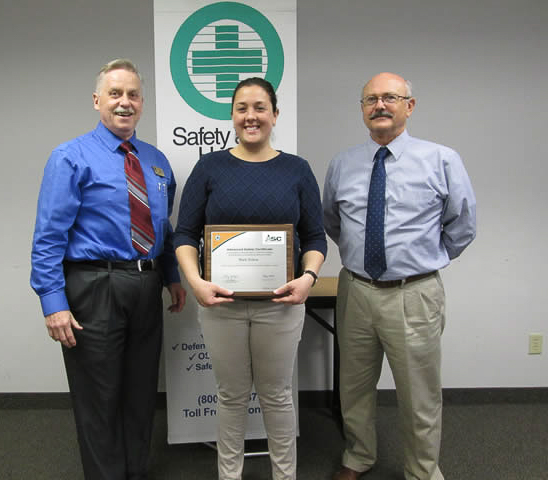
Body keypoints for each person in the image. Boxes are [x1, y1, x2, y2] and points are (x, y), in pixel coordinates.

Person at [30, 58, 186, 480]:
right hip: (93, 286)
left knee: (140, 392)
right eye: (115, 94)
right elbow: (48, 236)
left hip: (146, 284)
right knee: (98, 398)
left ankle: (134, 472)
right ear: (97, 100)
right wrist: (53, 303)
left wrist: (171, 276)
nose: (124, 102)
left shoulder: (155, 161)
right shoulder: (70, 157)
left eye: (133, 95)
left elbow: (162, 226)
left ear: (142, 103)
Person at [323, 72, 476, 480]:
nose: (380, 105)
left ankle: (422, 471)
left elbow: (462, 224)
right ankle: (359, 456)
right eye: (370, 99)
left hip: (414, 293)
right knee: (354, 387)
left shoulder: (441, 159)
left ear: (410, 106)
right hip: (356, 289)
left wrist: (423, 260)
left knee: (419, 394)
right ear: (362, 110)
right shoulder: (342, 163)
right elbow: (333, 222)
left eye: (390, 97)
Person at [174, 77, 327, 480]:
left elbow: (315, 237)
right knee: (231, 396)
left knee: (277, 395)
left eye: (260, 107)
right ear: (232, 116)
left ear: (275, 114)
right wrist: (195, 282)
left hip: (280, 306)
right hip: (221, 306)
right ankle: (229, 475)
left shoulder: (297, 169)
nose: (251, 116)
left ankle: (285, 475)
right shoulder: (209, 167)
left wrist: (309, 277)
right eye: (242, 108)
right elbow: (185, 234)